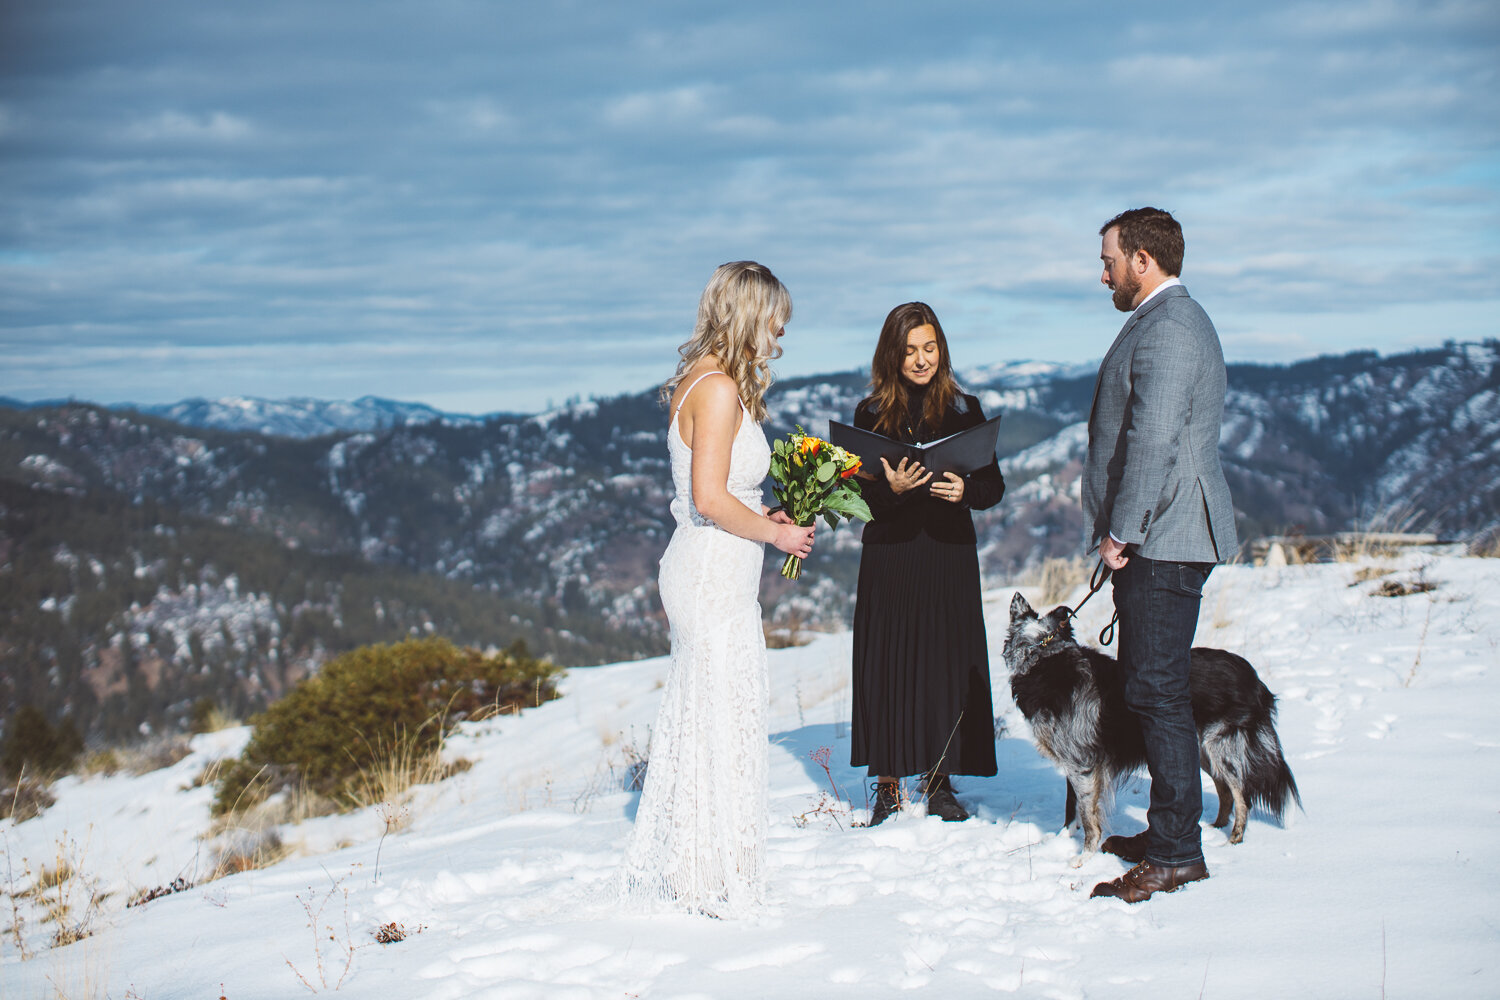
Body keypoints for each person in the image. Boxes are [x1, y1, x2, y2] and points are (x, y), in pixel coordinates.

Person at [620, 261, 816, 917]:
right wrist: (775, 535)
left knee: (714, 713)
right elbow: (708, 497)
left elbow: (721, 491)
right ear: (748, 316)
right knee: (721, 714)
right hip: (710, 570)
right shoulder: (719, 389)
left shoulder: (704, 380)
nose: (778, 337)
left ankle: (705, 864)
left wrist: (766, 518)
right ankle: (707, 873)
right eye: (774, 323)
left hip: (714, 567)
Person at [1083, 208, 1239, 903]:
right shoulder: (1164, 319)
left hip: (1165, 535)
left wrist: (1122, 529)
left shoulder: (1171, 326)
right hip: (1163, 533)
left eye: (1109, 257)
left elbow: (1153, 442)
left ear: (1143, 259)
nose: (1104, 270)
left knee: (1155, 689)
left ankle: (1177, 851)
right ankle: (1168, 831)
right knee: (1152, 687)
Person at [849, 302, 1005, 825]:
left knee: (943, 660)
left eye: (930, 348)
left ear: (942, 349)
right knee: (888, 660)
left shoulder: (966, 410)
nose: (921, 360)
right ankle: (888, 783)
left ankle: (939, 779)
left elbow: (993, 486)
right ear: (892, 355)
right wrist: (891, 490)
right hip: (890, 553)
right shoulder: (869, 415)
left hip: (947, 551)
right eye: (911, 350)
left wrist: (964, 490)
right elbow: (858, 501)